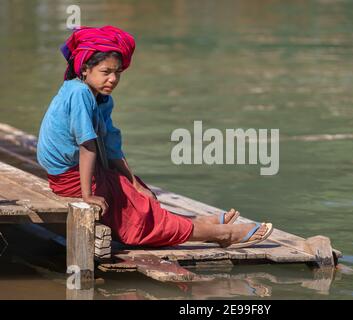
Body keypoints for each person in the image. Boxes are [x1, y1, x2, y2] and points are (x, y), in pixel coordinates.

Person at [37, 25, 273, 249]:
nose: (113, 79)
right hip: (69, 178)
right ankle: (222, 234)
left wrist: (135, 184)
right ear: (85, 69)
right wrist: (88, 195)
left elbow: (111, 148)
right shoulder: (78, 92)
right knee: (135, 215)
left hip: (83, 171)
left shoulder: (101, 98)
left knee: (139, 194)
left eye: (117, 73)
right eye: (105, 72)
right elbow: (88, 145)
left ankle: (197, 224)